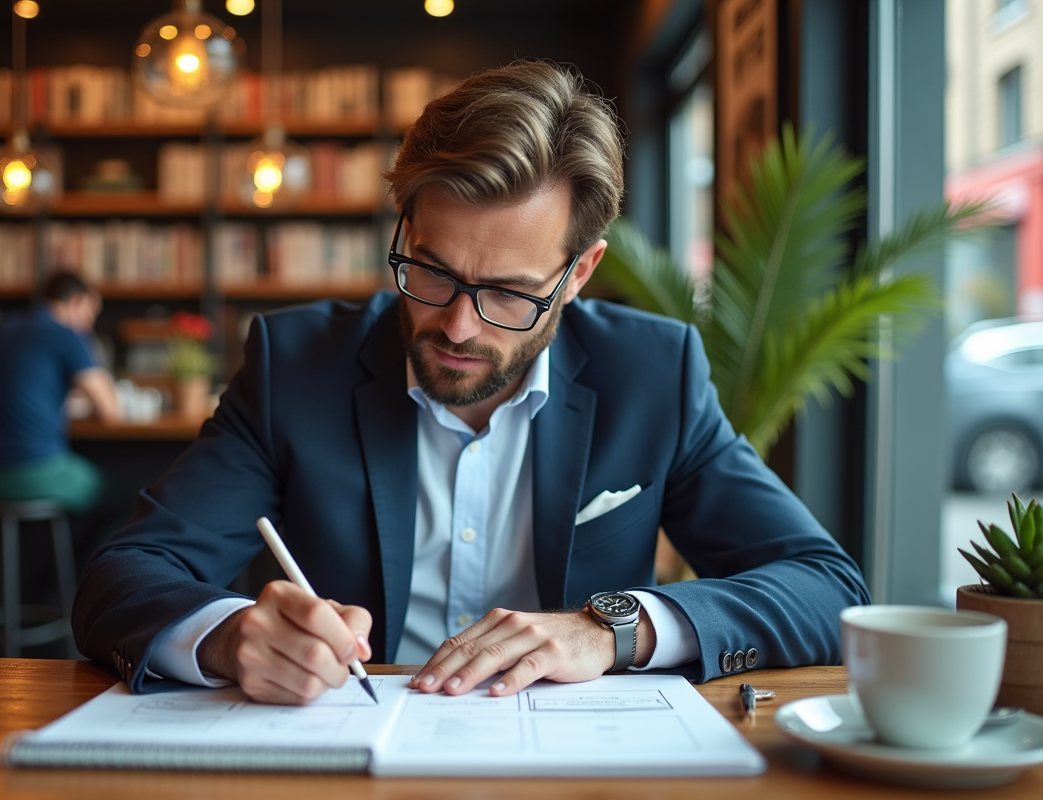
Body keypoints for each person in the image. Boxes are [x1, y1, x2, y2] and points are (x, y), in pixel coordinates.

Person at [73, 60, 869, 702]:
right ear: (407, 229)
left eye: (511, 295)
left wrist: (612, 629)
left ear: (580, 272)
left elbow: (827, 587)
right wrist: (227, 636)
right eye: (431, 271)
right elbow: (122, 579)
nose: (457, 325)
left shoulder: (655, 375)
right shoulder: (296, 367)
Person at [0, 271, 118, 512]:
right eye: (91, 312)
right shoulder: (66, 333)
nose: (90, 323)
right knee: (118, 494)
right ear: (77, 301)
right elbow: (110, 412)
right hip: (31, 471)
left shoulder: (5, 328)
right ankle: (84, 552)